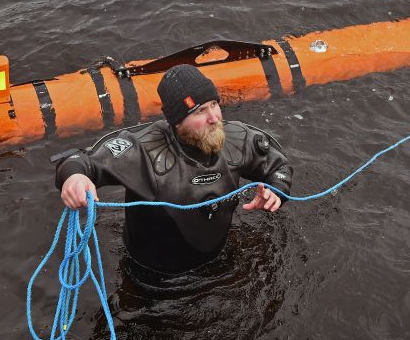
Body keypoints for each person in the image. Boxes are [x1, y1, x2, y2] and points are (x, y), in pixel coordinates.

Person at [55, 64, 293, 284]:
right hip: (152, 277)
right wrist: (75, 178)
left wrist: (276, 191)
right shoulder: (143, 152)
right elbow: (80, 161)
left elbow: (277, 167)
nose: (214, 118)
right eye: (200, 111)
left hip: (217, 263)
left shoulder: (237, 140)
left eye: (214, 104)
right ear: (176, 122)